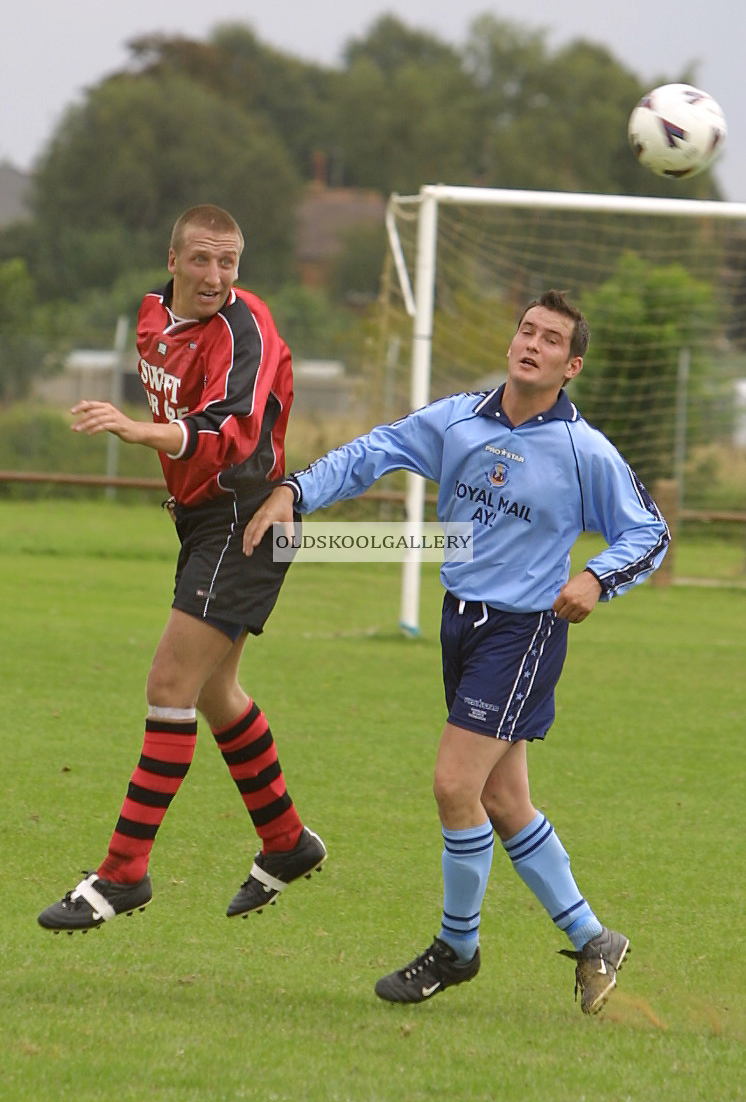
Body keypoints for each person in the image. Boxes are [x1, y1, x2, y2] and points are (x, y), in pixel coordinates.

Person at [242, 289, 670, 1014]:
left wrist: (597, 579)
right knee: (503, 798)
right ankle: (594, 937)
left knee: (453, 786)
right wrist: (296, 491)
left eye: (551, 338)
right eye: (526, 330)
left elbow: (648, 532)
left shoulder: (582, 449)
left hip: (523, 630)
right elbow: (373, 450)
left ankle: (458, 948)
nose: (531, 343)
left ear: (571, 366)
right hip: (460, 624)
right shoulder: (458, 420)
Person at [38, 204, 326, 934]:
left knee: (170, 682)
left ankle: (123, 872)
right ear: (173, 259)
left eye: (228, 261)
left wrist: (140, 432)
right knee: (215, 693)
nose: (216, 275)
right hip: (203, 523)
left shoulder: (247, 326)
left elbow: (229, 433)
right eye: (201, 259)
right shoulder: (149, 318)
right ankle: (287, 841)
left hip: (250, 517)